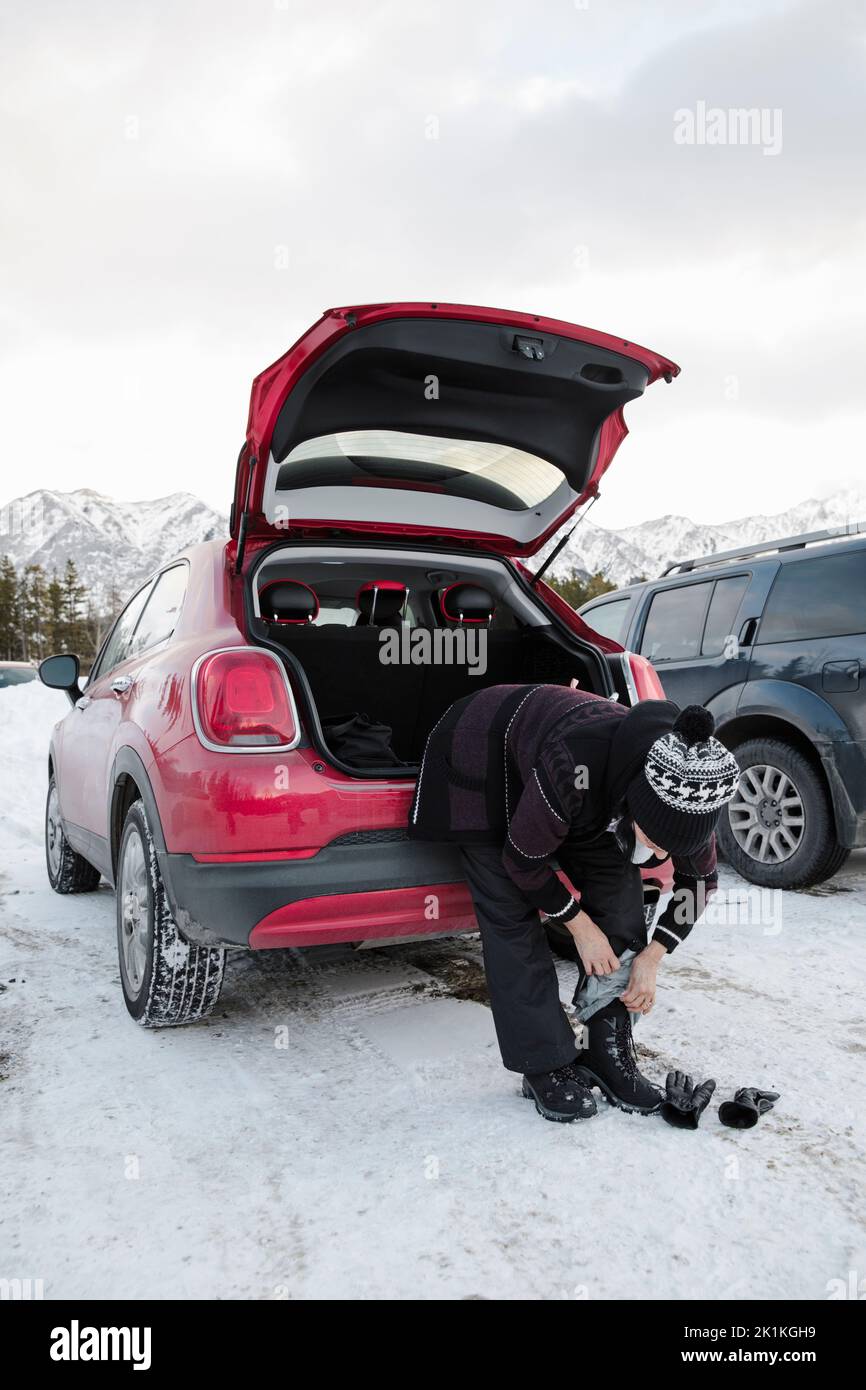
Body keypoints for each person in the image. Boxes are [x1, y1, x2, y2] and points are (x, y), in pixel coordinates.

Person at [408, 684, 740, 1123]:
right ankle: (543, 1065)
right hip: (483, 753)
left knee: (621, 898)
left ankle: (604, 1050)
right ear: (634, 802)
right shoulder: (575, 760)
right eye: (655, 840)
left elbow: (699, 881)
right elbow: (523, 860)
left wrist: (653, 955)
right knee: (510, 916)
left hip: (581, 786)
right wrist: (578, 926)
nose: (660, 856)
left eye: (671, 848)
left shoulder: (690, 791)